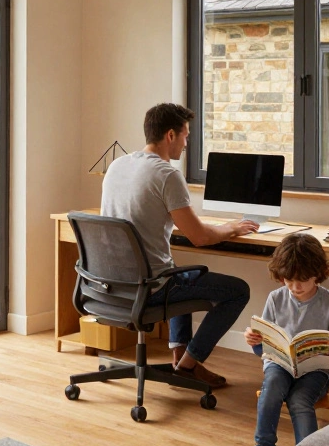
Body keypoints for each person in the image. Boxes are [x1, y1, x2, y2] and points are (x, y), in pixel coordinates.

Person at [100, 103, 257, 388]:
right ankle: (189, 364)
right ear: (170, 135)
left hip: (110, 285)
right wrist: (230, 228)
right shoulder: (167, 175)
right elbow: (199, 237)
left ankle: (179, 355)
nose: (186, 143)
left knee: (181, 272)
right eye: (185, 136)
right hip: (150, 287)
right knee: (237, 291)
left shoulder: (117, 165)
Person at [244, 233, 329, 446]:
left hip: (316, 372)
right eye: (288, 280)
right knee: (271, 387)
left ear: (317, 274)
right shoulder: (276, 298)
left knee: (299, 399)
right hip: (279, 365)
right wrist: (255, 339)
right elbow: (263, 348)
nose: (294, 286)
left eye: (301, 280)